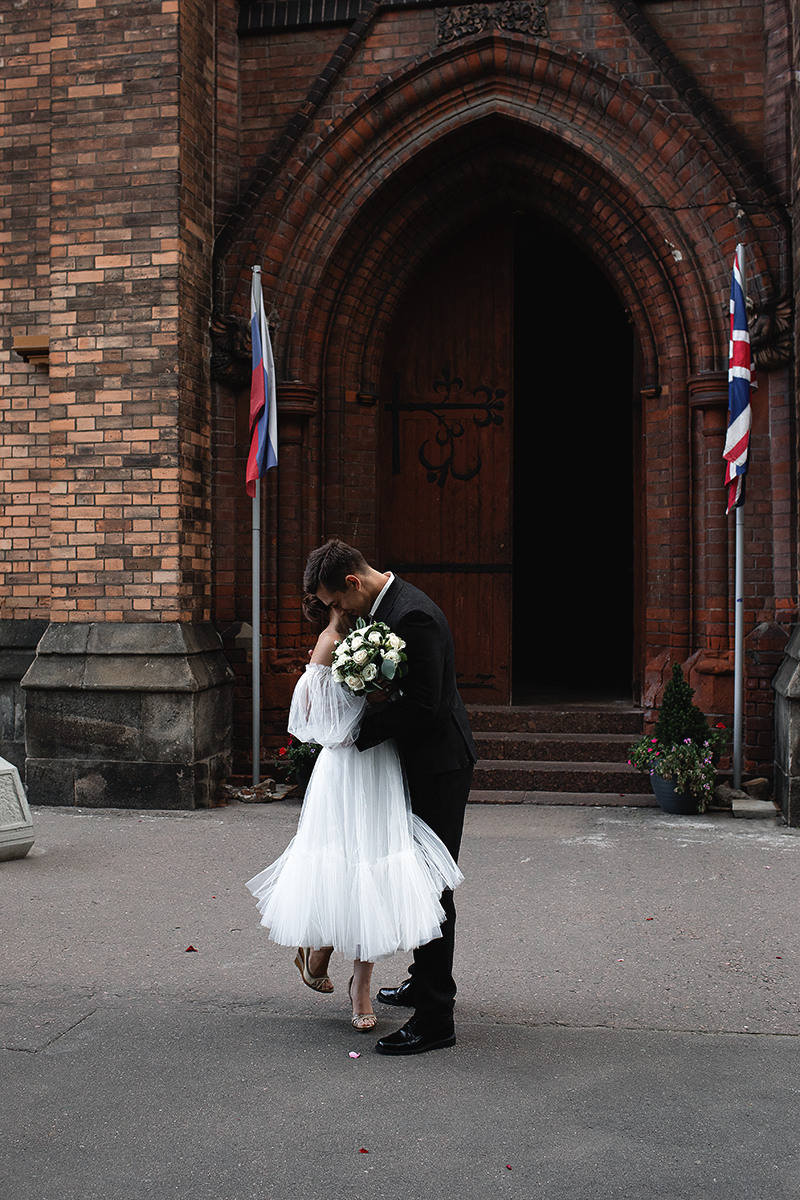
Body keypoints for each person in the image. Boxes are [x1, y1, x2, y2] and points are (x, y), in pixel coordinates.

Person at [245, 595, 463, 1034]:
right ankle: (321, 946)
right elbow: (309, 716)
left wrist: (385, 692)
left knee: (375, 867)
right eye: (342, 602)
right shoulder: (329, 642)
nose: (353, 607)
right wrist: (370, 701)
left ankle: (358, 984)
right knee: (342, 862)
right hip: (345, 766)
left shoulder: (371, 635)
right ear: (331, 603)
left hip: (380, 762)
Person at [305, 538, 477, 1056]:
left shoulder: (412, 616)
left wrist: (355, 731)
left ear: (352, 582)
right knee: (413, 877)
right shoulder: (389, 607)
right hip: (413, 763)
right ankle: (421, 983)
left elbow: (425, 707)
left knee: (431, 888)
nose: (338, 612)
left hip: (438, 767)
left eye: (336, 601)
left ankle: (435, 1019)